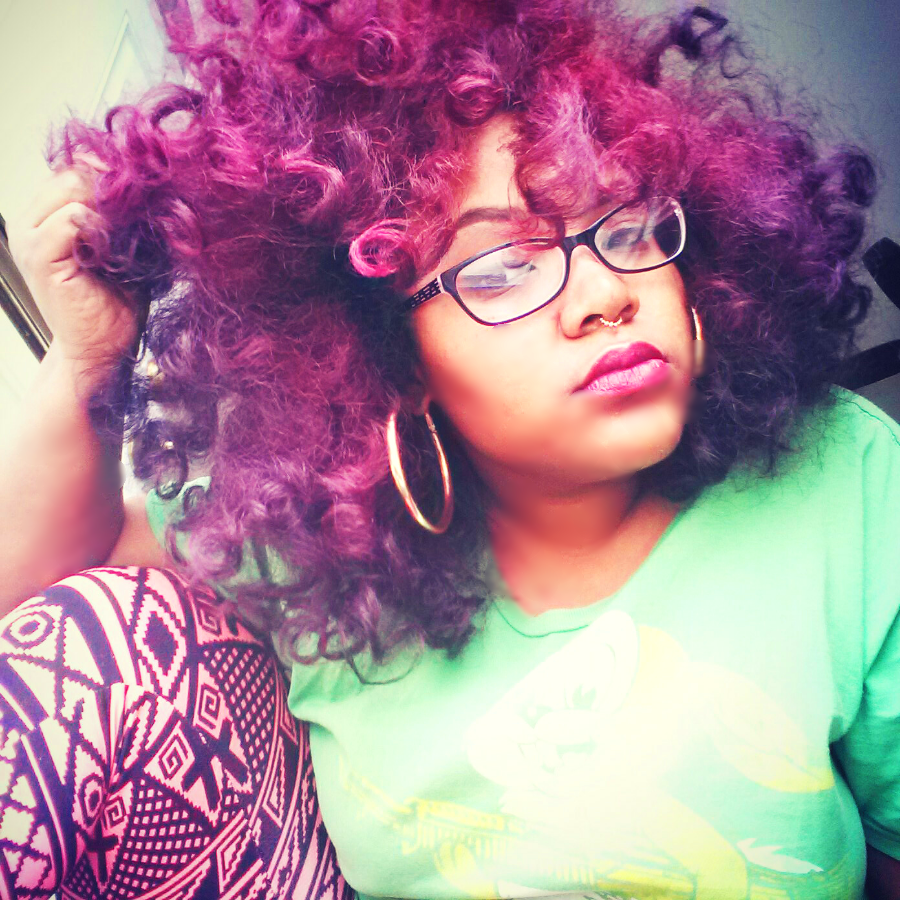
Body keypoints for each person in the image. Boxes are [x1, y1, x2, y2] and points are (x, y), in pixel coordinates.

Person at [2, 0, 899, 898]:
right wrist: (84, 362)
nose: (606, 295)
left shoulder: (840, 481)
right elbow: (38, 617)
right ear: (392, 355)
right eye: (502, 269)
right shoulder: (313, 551)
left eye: (628, 227)